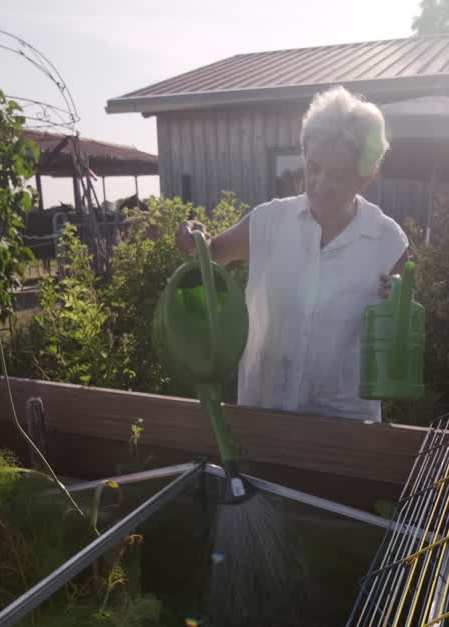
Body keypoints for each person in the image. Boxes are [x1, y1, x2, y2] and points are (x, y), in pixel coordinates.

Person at [175, 86, 409, 422]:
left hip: (344, 423)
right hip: (264, 413)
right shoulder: (269, 221)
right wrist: (192, 236)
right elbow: (210, 256)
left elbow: (399, 332)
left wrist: (397, 300)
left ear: (366, 176)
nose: (319, 183)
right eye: (313, 167)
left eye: (337, 174)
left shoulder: (388, 242)